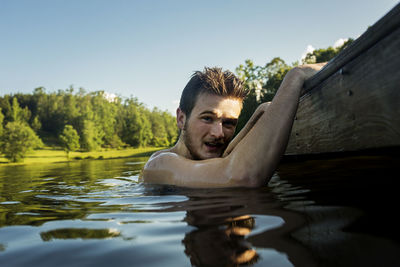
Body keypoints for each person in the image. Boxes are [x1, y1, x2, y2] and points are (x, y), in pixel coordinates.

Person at [142, 63, 326, 187]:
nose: (218, 133)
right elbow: (240, 175)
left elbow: (229, 156)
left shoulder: (212, 157)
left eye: (229, 122)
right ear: (181, 119)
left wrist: (262, 111)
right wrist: (296, 76)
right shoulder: (160, 164)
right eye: (207, 118)